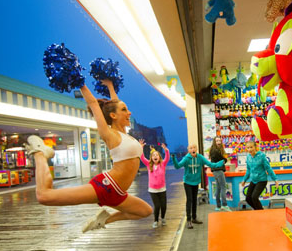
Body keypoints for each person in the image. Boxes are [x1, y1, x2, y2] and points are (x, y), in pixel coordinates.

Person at [23, 78, 152, 232]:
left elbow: (115, 103)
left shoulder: (124, 133)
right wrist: (80, 82)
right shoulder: (109, 134)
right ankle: (40, 152)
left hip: (118, 193)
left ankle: (103, 220)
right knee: (44, 196)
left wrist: (111, 86)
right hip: (106, 186)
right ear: (113, 115)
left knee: (145, 211)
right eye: (124, 110)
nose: (129, 112)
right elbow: (93, 104)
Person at [172, 144, 225, 229]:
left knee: (194, 200)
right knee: (189, 200)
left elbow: (210, 164)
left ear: (196, 149)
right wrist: (174, 159)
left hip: (196, 182)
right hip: (187, 182)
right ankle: (188, 220)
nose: (193, 149)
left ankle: (194, 218)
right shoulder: (186, 158)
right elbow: (177, 166)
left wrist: (219, 164)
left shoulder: (200, 157)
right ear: (188, 150)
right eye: (191, 148)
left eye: (194, 147)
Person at [240, 140, 278, 210]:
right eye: (248, 148)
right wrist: (244, 180)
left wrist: (275, 179)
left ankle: (260, 211)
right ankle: (258, 210)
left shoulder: (261, 156)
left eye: (251, 147)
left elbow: (268, 168)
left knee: (254, 197)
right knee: (248, 198)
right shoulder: (248, 157)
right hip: (253, 180)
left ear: (255, 147)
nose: (249, 149)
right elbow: (248, 170)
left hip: (262, 180)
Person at [140, 141, 170, 228]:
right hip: (153, 190)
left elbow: (167, 158)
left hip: (162, 189)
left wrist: (166, 150)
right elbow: (142, 158)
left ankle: (163, 218)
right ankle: (156, 221)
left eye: (157, 155)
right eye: (153, 155)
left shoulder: (162, 164)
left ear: (159, 157)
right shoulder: (148, 164)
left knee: (163, 206)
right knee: (157, 206)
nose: (155, 156)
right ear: (151, 158)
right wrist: (141, 147)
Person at [208, 136, 231, 211]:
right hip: (219, 171)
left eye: (219, 141)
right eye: (217, 141)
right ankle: (224, 205)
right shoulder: (216, 151)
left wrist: (224, 159)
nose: (218, 142)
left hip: (215, 171)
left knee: (218, 188)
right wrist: (225, 159)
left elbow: (221, 160)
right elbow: (222, 160)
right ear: (214, 142)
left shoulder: (213, 150)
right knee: (223, 187)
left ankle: (218, 206)